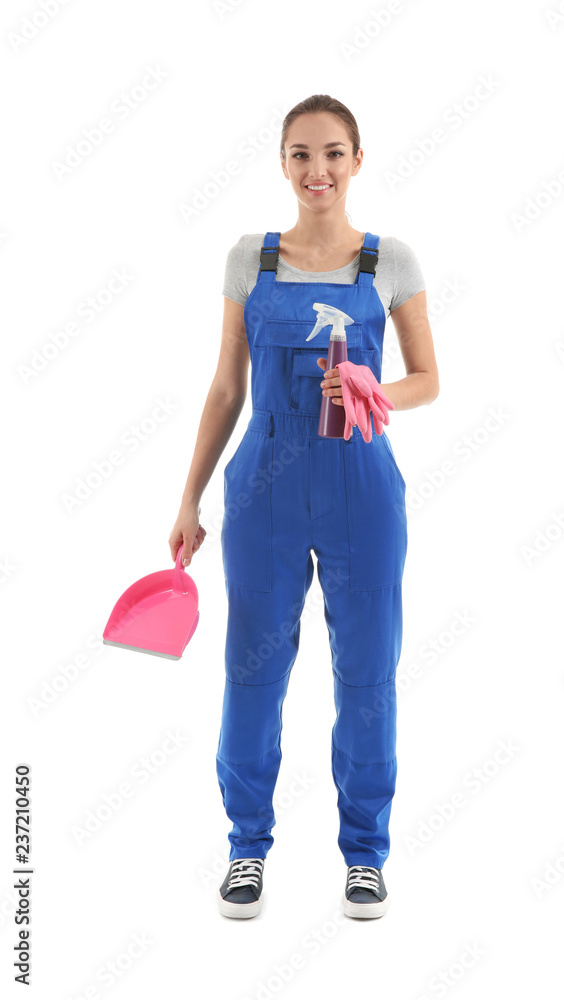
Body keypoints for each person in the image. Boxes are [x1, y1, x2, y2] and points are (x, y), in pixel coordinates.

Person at [168, 94, 439, 921]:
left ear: (358, 160)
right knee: (252, 674)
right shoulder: (250, 258)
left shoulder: (389, 261)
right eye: (299, 155)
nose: (316, 170)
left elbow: (428, 378)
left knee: (367, 678)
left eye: (332, 153)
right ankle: (246, 849)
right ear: (282, 164)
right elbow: (225, 387)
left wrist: (368, 388)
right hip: (263, 490)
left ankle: (365, 856)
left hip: (363, 490)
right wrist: (187, 496)